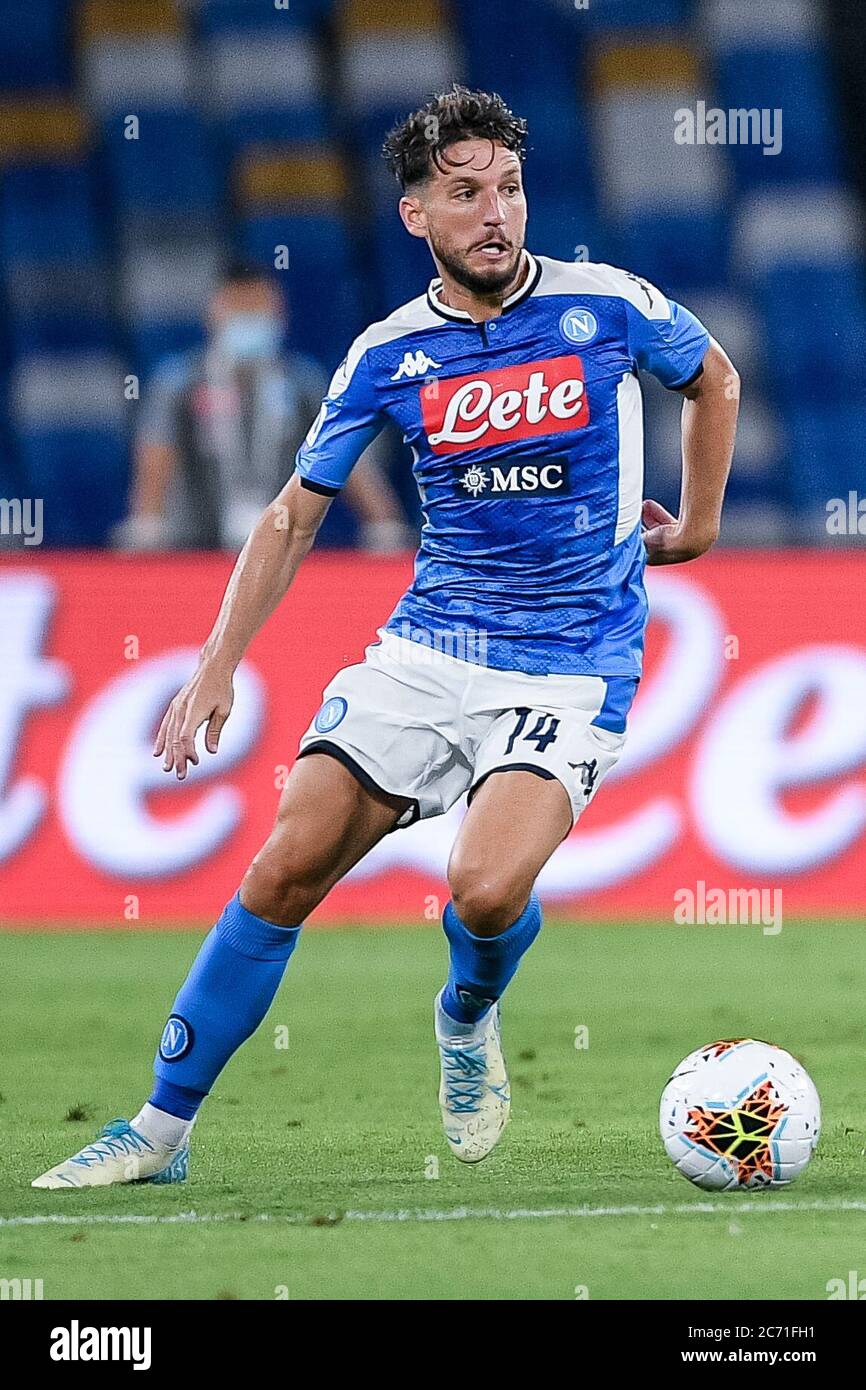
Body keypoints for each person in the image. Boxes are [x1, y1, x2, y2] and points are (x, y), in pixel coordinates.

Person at [33, 86, 739, 1189]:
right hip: (429, 648)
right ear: (417, 215)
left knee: (484, 891)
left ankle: (464, 1012)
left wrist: (696, 525)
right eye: (463, 194)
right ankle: (157, 1133)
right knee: (284, 864)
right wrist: (215, 666)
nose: (494, 213)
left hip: (572, 661)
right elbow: (292, 514)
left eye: (506, 187)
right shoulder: (386, 355)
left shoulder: (606, 304)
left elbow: (711, 376)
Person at [113, 263, 412, 553]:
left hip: (280, 551)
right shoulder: (178, 383)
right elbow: (156, 454)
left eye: (259, 310)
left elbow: (342, 449)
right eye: (240, 310)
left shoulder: (303, 383)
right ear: (213, 315)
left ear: (279, 315)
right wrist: (147, 521)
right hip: (194, 550)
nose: (250, 318)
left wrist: (382, 521)